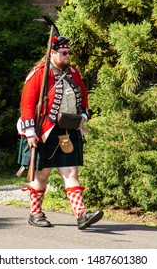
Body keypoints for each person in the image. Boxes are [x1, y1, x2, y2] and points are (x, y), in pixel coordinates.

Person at [17, 36, 103, 230]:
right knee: (42, 175)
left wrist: (83, 116)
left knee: (71, 171)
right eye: (64, 53)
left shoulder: (73, 72)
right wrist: (30, 132)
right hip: (45, 132)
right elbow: (27, 103)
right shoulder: (39, 73)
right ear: (52, 53)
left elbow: (83, 96)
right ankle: (35, 213)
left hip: (69, 129)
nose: (68, 56)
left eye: (69, 53)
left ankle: (81, 214)